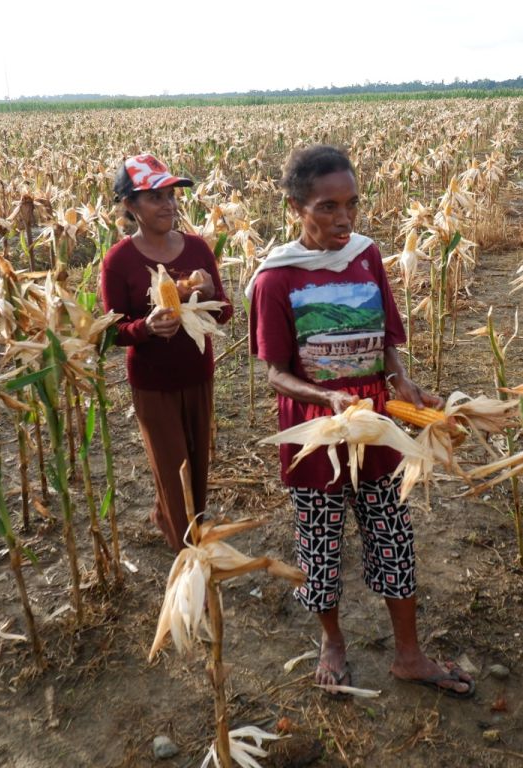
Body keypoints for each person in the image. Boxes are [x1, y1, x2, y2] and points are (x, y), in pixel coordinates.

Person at [248, 145, 474, 699]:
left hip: (375, 426)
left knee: (393, 536)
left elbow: (387, 340)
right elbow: (276, 373)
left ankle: (409, 654)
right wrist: (324, 399)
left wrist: (401, 381)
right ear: (296, 206)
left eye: (351, 204)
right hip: (319, 433)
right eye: (327, 207)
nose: (343, 219)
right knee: (319, 546)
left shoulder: (367, 255)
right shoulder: (275, 279)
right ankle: (333, 642)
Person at [99, 154, 233, 550]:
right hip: (153, 384)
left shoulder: (196, 249)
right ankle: (189, 553)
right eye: (155, 196)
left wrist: (209, 294)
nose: (168, 205)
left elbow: (223, 314)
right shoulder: (119, 261)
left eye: (171, 195)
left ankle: (168, 517)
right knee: (175, 472)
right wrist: (146, 327)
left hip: (198, 373)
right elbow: (112, 332)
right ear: (129, 205)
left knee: (196, 470)